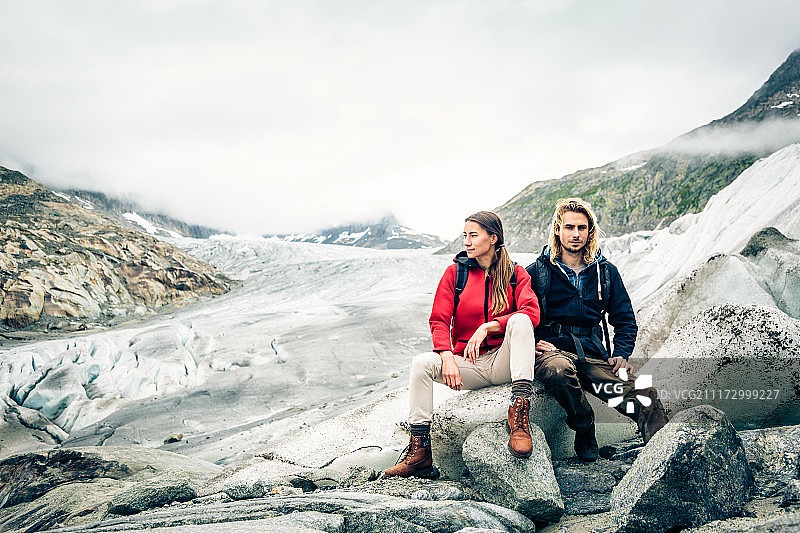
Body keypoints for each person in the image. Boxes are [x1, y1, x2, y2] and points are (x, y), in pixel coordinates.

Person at [385, 211, 540, 478]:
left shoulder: (516, 274)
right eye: (464, 235)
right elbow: (439, 320)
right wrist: (446, 357)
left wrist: (490, 326)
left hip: (503, 362)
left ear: (493, 238)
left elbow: (532, 313)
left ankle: (519, 416)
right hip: (469, 364)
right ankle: (420, 451)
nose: (466, 241)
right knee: (421, 363)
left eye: (473, 235)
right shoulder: (455, 274)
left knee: (521, 320)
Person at [525, 198, 668, 462]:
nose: (575, 234)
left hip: (593, 354)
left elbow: (624, 319)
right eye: (569, 227)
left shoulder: (605, 272)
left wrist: (621, 353)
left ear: (590, 231)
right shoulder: (536, 272)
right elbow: (519, 317)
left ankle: (662, 460)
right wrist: (531, 342)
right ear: (557, 229)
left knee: (645, 394)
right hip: (552, 351)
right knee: (558, 370)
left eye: (582, 228)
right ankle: (584, 426)